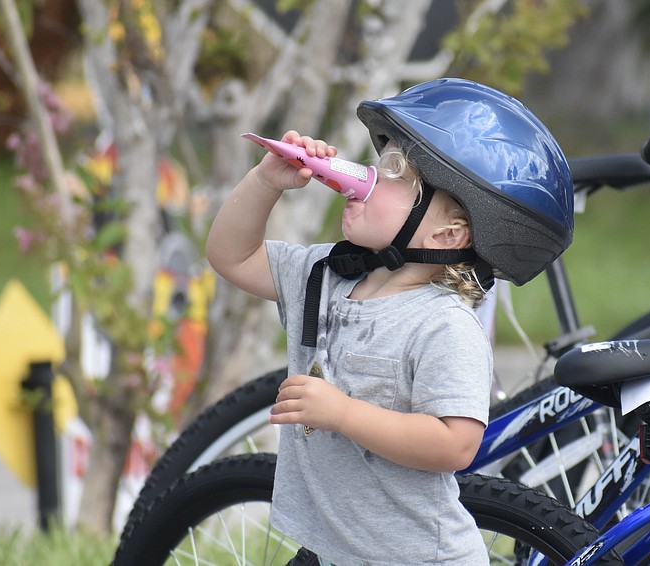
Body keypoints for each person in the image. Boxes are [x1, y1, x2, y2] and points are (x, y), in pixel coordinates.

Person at [206, 78, 574, 565]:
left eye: (398, 173)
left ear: (447, 232)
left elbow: (457, 443)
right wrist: (265, 182)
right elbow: (232, 256)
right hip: (330, 551)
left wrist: (342, 415)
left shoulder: (443, 325)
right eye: (381, 161)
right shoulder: (325, 275)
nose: (368, 176)